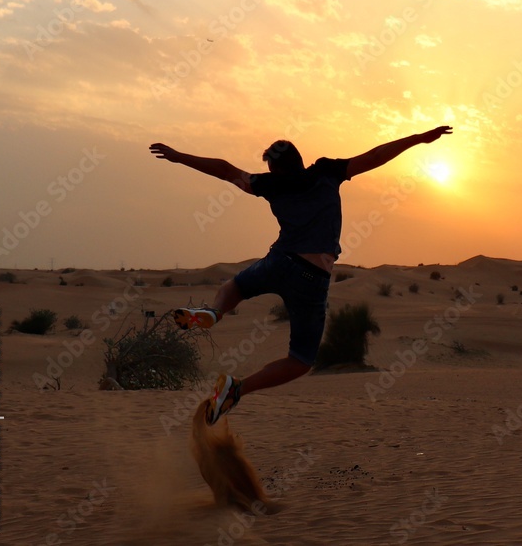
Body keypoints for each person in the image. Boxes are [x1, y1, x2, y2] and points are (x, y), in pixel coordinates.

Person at [149, 126, 453, 424]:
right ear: (298, 159)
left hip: (280, 262)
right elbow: (376, 156)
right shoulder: (326, 172)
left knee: (234, 288)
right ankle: (237, 388)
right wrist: (417, 139)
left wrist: (180, 157)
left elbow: (225, 169)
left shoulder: (269, 184)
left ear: (275, 168)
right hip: (313, 278)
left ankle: (213, 313)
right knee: (300, 361)